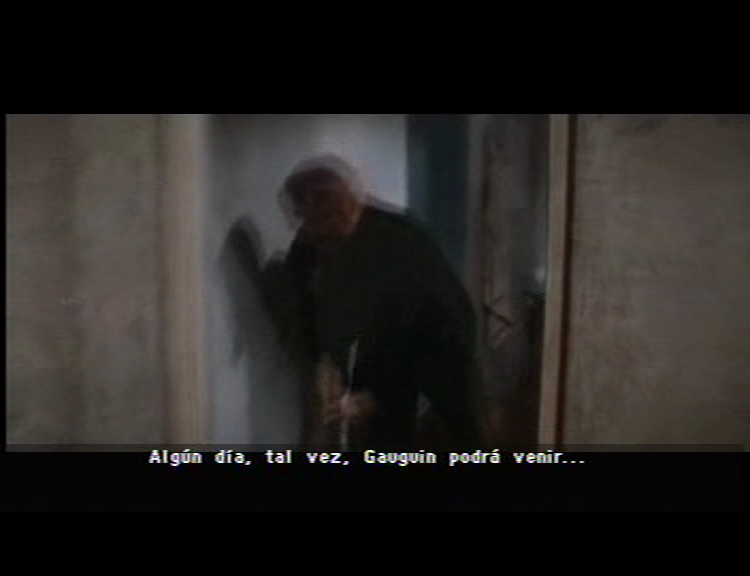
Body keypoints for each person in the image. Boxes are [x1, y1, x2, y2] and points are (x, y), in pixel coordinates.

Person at [283, 155, 480, 450]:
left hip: (441, 338)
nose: (309, 231)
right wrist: (323, 360)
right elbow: (308, 305)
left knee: (461, 427)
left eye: (331, 228)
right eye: (306, 222)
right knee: (385, 435)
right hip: (379, 341)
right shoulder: (309, 243)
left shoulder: (400, 244)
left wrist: (375, 397)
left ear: (349, 210)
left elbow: (412, 332)